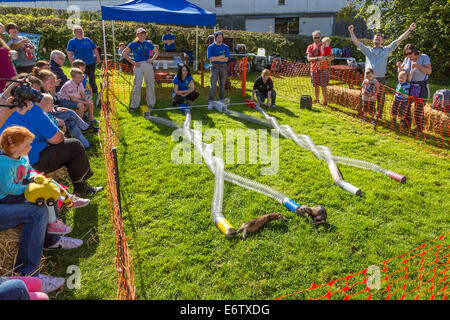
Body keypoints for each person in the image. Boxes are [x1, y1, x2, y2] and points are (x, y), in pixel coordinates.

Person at [0, 93, 103, 197]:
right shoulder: (30, 108)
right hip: (28, 162)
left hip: (9, 161)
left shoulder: (3, 105)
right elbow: (57, 139)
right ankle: (81, 188)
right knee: (74, 146)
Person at [0, 125, 75, 235]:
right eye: (27, 145)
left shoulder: (22, 156)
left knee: (47, 185)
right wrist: (30, 189)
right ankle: (53, 223)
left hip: (19, 186)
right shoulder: (4, 165)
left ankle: (66, 197)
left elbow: (28, 169)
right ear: (12, 147)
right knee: (43, 194)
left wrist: (34, 176)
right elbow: (8, 188)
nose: (30, 147)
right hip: (7, 196)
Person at [348, 23, 417, 124]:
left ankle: (378, 116)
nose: (377, 41)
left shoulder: (386, 50)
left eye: (379, 40)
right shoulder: (368, 50)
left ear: (382, 41)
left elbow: (398, 40)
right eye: (375, 39)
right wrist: (351, 31)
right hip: (368, 79)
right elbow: (356, 42)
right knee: (365, 97)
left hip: (380, 79)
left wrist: (409, 29)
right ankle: (364, 115)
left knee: (380, 98)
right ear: (373, 41)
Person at [122, 28, 159, 111]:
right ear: (137, 35)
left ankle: (151, 103)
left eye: (144, 35)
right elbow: (124, 53)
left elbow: (157, 52)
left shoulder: (148, 44)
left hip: (147, 64)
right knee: (137, 86)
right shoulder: (133, 44)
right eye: (140, 35)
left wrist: (151, 60)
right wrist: (133, 63)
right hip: (138, 65)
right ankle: (134, 105)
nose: (142, 36)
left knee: (150, 84)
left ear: (146, 35)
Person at [398, 44, 432, 135]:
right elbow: (403, 72)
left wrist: (418, 66)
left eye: (410, 53)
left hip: (420, 86)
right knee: (406, 105)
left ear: (415, 51)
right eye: (406, 54)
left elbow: (429, 71)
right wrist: (400, 68)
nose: (408, 56)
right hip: (408, 85)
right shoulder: (407, 59)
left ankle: (419, 129)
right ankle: (406, 124)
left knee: (418, 108)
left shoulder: (424, 57)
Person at [66, 26, 100, 94]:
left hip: (91, 62)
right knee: (80, 78)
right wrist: (72, 63)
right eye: (78, 31)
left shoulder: (87, 39)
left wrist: (98, 58)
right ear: (74, 33)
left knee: (92, 77)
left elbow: (95, 48)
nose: (80, 32)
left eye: (81, 31)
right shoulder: (72, 42)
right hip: (79, 65)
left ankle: (94, 91)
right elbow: (69, 53)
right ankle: (80, 91)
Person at [306, 30, 334, 106]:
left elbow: (332, 57)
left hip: (324, 68)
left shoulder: (325, 45)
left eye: (318, 37)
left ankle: (325, 102)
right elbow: (308, 59)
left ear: (320, 37)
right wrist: (318, 58)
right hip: (314, 69)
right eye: (314, 38)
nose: (316, 39)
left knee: (324, 85)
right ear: (312, 38)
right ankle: (317, 99)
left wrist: (326, 58)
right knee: (315, 85)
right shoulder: (310, 47)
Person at [207, 31, 230, 109]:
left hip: (223, 67)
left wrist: (216, 58)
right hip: (214, 67)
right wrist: (221, 57)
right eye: (218, 37)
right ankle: (210, 102)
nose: (220, 39)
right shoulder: (211, 47)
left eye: (221, 37)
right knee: (212, 85)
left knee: (222, 85)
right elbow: (211, 59)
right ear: (215, 38)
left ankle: (222, 100)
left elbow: (226, 59)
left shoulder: (226, 47)